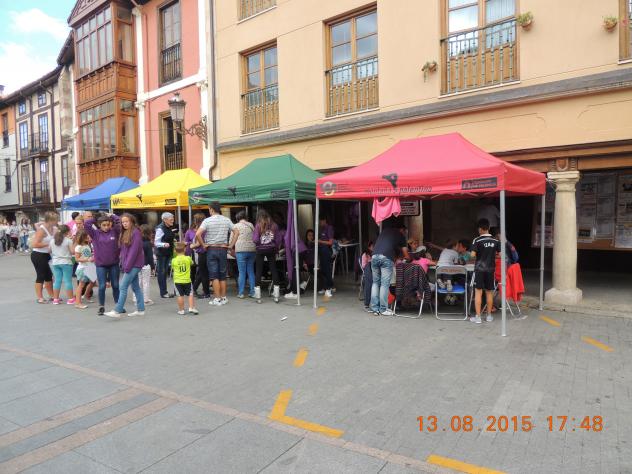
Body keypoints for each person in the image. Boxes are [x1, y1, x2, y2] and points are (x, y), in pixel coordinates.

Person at [196, 202, 238, 306]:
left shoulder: (207, 220)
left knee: (214, 276)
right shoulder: (226, 220)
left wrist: (203, 245)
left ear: (211, 209)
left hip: (211, 249)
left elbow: (198, 234)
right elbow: (237, 232)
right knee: (222, 275)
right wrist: (231, 245)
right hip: (223, 249)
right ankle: (223, 298)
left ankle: (217, 298)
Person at [105, 213, 145, 318]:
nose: (124, 224)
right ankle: (141, 310)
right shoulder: (127, 231)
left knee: (123, 287)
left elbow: (133, 252)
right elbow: (119, 220)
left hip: (133, 265)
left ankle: (117, 310)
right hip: (132, 264)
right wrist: (112, 215)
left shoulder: (135, 232)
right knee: (135, 287)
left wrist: (127, 266)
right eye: (123, 222)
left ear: (132, 221)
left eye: (127, 221)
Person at [369, 220, 409, 316]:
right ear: (402, 230)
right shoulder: (401, 235)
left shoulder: (385, 231)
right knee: (384, 284)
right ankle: (383, 309)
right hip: (386, 258)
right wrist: (409, 257)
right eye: (405, 231)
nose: (405, 233)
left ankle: (375, 308)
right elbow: (406, 255)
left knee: (375, 283)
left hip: (374, 256)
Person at [85, 213, 121, 315]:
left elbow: (119, 221)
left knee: (115, 285)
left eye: (108, 224)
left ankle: (118, 306)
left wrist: (112, 215)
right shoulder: (95, 233)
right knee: (101, 286)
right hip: (101, 265)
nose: (106, 227)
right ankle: (101, 306)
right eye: (103, 225)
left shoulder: (114, 231)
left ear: (110, 224)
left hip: (114, 264)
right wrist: (96, 218)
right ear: (99, 225)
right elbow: (86, 224)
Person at [470, 218, 501, 324]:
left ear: (480, 229)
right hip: (490, 270)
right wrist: (491, 255)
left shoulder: (477, 240)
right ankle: (489, 316)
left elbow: (472, 255)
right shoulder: (496, 241)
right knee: (489, 292)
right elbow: (500, 255)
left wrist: (480, 254)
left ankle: (478, 317)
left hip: (479, 269)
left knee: (478, 292)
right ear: (488, 227)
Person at [253, 209, 281, 303]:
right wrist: (275, 247)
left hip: (260, 250)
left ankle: (258, 297)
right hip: (271, 249)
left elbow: (255, 239)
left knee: (258, 271)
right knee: (273, 270)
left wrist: (259, 244)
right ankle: (276, 296)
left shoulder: (258, 225)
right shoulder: (274, 225)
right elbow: (278, 240)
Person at [30, 211, 57, 303]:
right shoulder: (42, 230)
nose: (57, 221)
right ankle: (40, 297)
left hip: (46, 255)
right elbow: (34, 244)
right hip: (38, 255)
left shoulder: (53, 228)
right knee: (40, 276)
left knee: (49, 276)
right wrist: (49, 244)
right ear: (50, 220)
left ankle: (52, 296)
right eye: (55, 220)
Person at [50, 224, 76, 305]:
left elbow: (49, 250)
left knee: (57, 281)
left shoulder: (52, 240)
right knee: (67, 281)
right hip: (66, 262)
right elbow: (72, 252)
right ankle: (70, 299)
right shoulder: (68, 241)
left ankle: (55, 299)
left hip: (55, 262)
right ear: (67, 232)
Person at [233, 211, 256, 299]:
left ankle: (241, 293)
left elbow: (232, 239)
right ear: (246, 217)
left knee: (242, 272)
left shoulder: (235, 226)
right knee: (251, 271)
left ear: (237, 218)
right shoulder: (251, 225)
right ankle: (252, 292)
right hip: (252, 249)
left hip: (240, 250)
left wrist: (230, 247)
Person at [171, 242, 199, 315]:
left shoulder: (173, 260)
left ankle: (181, 310)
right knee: (190, 294)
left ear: (175, 251)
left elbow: (173, 267)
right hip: (187, 280)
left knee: (180, 295)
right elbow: (192, 263)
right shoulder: (188, 258)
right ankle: (191, 307)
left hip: (177, 281)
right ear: (185, 250)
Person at [155, 212, 176, 299]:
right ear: (164, 220)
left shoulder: (168, 227)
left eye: (173, 219)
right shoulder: (160, 229)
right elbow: (156, 242)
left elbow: (167, 236)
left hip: (167, 253)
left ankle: (164, 292)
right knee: (162, 272)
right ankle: (163, 293)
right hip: (162, 254)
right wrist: (164, 244)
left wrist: (172, 240)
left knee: (164, 272)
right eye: (171, 219)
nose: (173, 221)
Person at [74, 230, 97, 309]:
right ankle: (77, 303)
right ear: (83, 237)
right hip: (83, 268)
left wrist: (92, 256)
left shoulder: (87, 245)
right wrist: (87, 259)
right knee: (81, 285)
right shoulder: (78, 247)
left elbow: (87, 254)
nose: (89, 237)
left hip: (89, 266)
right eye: (87, 236)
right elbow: (77, 259)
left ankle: (86, 296)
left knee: (93, 282)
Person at [189, 213, 210, 299]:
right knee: (202, 273)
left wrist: (191, 246)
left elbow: (198, 244)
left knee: (203, 273)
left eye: (195, 219)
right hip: (207, 252)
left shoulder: (201, 229)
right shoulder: (207, 228)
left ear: (197, 220)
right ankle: (195, 289)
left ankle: (206, 293)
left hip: (202, 252)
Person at [134, 224, 154, 306]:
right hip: (145, 265)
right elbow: (150, 256)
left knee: (137, 282)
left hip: (136, 264)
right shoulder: (148, 243)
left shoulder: (136, 242)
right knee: (146, 282)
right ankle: (145, 299)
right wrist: (153, 267)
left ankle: (136, 299)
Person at [317, 215, 335, 298]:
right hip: (321, 252)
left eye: (320, 221)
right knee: (322, 270)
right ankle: (325, 287)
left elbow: (330, 242)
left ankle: (329, 288)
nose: (319, 223)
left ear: (324, 220)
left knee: (327, 270)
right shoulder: (321, 229)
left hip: (327, 252)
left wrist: (320, 241)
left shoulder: (329, 228)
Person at [361, 241, 374, 310]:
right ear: (368, 247)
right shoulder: (365, 255)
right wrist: (370, 262)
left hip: (374, 270)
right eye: (372, 246)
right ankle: (367, 303)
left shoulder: (375, 254)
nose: (373, 248)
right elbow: (363, 265)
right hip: (368, 270)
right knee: (368, 265)